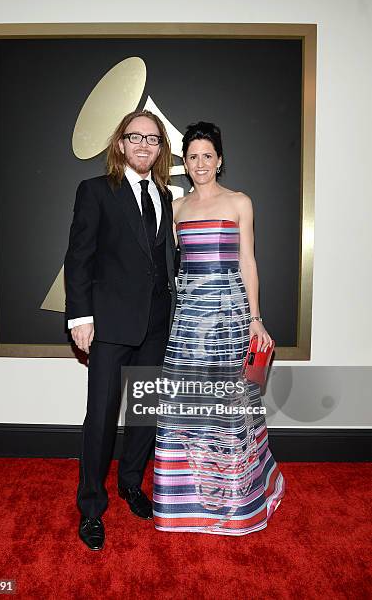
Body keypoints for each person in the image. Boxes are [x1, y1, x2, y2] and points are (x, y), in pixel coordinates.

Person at [153, 121, 285, 535]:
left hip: (229, 314)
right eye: (192, 157)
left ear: (220, 160)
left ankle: (233, 501)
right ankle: (184, 500)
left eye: (207, 155)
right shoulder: (175, 209)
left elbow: (249, 262)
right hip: (190, 316)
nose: (200, 163)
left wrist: (255, 319)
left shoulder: (240, 202)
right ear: (185, 163)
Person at [64, 110, 176, 550]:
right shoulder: (95, 191)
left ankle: (131, 483)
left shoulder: (165, 196)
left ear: (160, 148)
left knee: (144, 414)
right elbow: (78, 258)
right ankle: (91, 507)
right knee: (102, 417)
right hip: (108, 326)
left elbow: (162, 261)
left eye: (153, 139)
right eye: (136, 137)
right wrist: (80, 317)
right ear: (121, 143)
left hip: (155, 324)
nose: (144, 145)